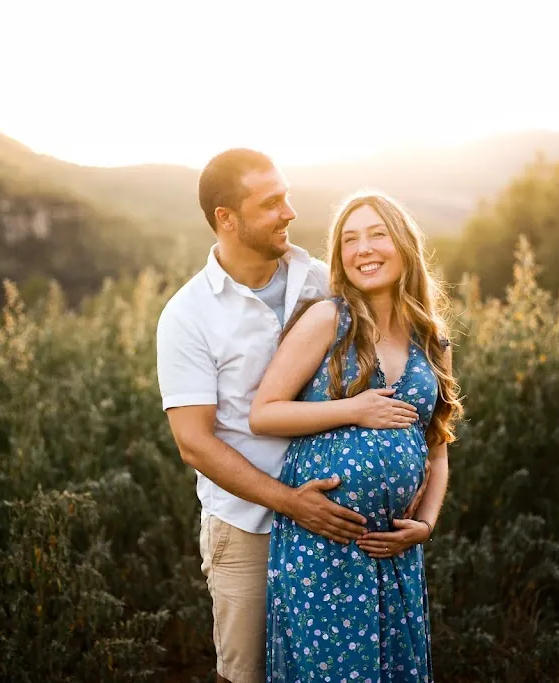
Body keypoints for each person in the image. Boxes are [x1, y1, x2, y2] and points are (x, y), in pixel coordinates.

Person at [156, 149, 422, 683]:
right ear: (226, 219)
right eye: (272, 203)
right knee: (250, 673)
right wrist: (291, 503)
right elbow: (194, 443)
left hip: (338, 529)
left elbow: (397, 359)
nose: (290, 213)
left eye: (288, 196)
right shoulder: (188, 316)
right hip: (249, 527)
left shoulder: (326, 283)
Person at [249, 190, 463, 682]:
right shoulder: (329, 319)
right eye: (349, 240)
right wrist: (355, 408)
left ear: (404, 244)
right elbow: (265, 413)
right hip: (322, 546)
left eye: (376, 234)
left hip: (391, 552)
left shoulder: (432, 341)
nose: (363, 248)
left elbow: (438, 449)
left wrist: (426, 525)